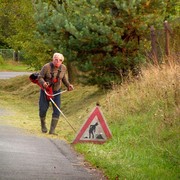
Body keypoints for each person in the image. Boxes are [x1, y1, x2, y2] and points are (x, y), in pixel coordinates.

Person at [38, 53, 74, 135]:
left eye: (60, 60)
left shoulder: (63, 68)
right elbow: (40, 77)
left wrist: (68, 85)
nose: (58, 61)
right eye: (56, 59)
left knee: (57, 110)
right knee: (43, 109)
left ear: (62, 61)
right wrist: (43, 83)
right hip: (46, 91)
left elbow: (63, 78)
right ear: (53, 59)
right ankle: (43, 124)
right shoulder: (46, 67)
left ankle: (52, 130)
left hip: (57, 91)